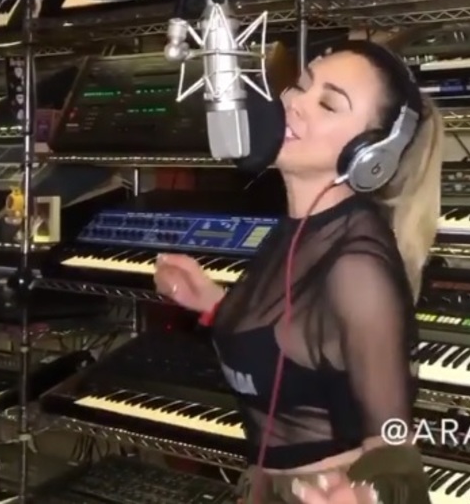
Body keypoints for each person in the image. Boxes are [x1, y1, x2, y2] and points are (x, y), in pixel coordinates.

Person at [154, 41, 444, 504]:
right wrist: (212, 304)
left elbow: (392, 438)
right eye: (302, 86)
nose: (293, 102)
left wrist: (369, 493)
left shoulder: (356, 266)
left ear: (370, 154)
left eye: (328, 104)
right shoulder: (300, 228)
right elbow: (294, 348)